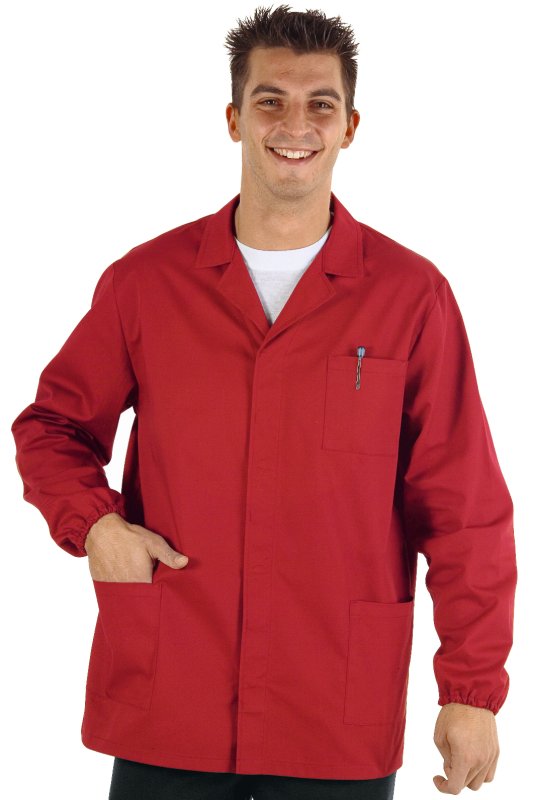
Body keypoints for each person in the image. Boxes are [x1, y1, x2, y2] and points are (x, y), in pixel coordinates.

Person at [11, 4, 517, 799]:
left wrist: (470, 689)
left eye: (320, 104)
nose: (295, 124)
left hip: (333, 708)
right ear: (233, 118)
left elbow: (463, 507)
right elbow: (53, 426)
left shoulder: (410, 296)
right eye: (270, 100)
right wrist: (96, 525)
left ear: (349, 127)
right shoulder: (147, 284)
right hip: (170, 693)